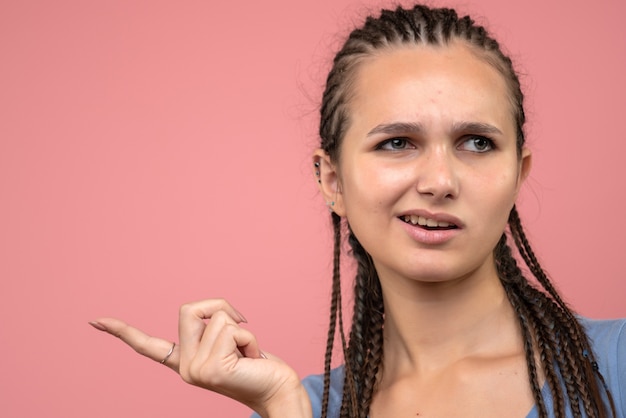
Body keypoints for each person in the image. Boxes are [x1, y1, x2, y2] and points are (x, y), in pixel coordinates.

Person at [89, 4, 625, 417]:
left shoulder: (616, 364)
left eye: (476, 143)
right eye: (397, 143)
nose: (439, 181)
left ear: (518, 174)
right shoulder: (298, 406)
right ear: (332, 180)